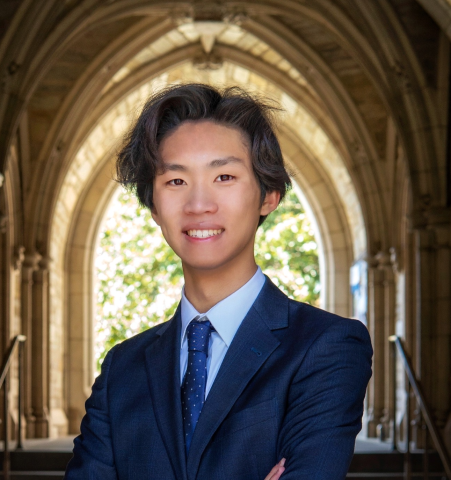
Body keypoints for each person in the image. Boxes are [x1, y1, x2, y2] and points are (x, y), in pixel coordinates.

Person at [64, 84, 373, 480]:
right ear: (154, 207)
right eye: (176, 182)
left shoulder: (327, 347)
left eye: (224, 176)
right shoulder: (122, 369)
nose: (198, 205)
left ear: (269, 195)